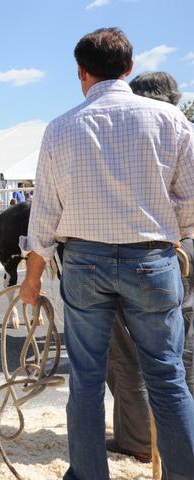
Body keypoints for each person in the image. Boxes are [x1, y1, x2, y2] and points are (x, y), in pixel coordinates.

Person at [19, 28, 194, 480]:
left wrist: (33, 277)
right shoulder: (172, 121)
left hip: (85, 264)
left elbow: (45, 215)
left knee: (87, 380)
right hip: (152, 260)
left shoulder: (60, 128)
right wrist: (172, 237)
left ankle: (88, 475)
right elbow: (190, 200)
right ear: (130, 68)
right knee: (168, 379)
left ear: (80, 71)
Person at [105, 71, 194, 464]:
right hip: (184, 244)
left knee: (124, 346)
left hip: (150, 250)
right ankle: (180, 440)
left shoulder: (127, 135)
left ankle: (138, 437)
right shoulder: (185, 128)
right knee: (182, 348)